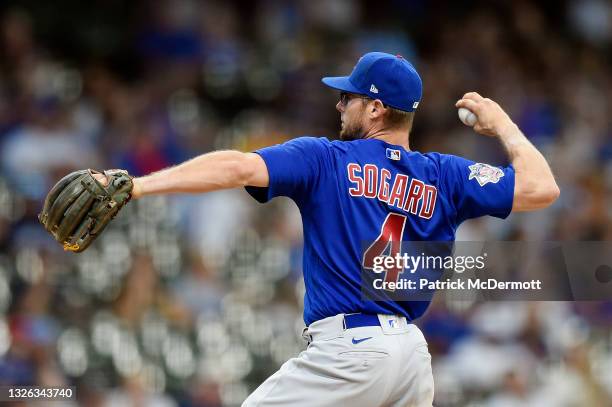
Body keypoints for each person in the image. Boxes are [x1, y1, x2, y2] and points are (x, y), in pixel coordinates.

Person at [108, 52, 560, 406]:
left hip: (352, 351)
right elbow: (541, 188)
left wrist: (139, 185)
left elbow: (236, 165)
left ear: (377, 108)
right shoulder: (446, 175)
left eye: (350, 97)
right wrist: (504, 125)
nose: (340, 104)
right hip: (409, 357)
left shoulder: (326, 158)